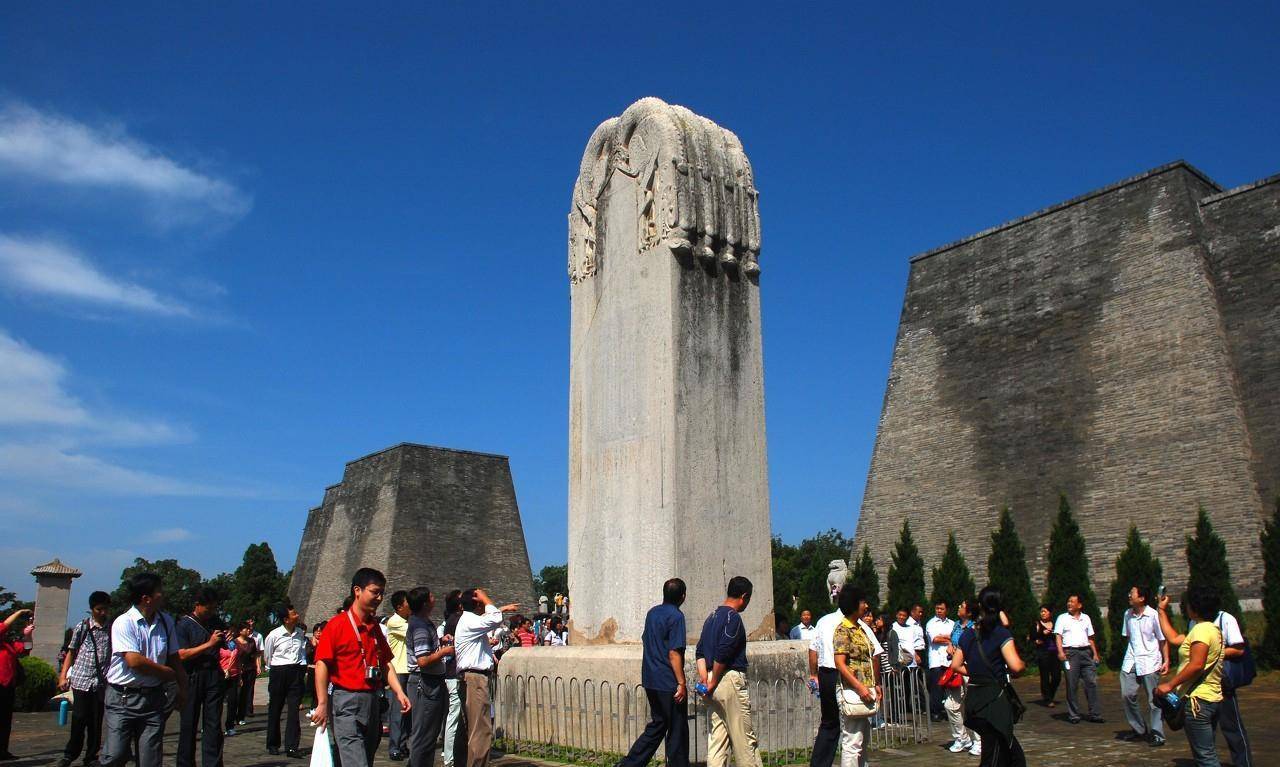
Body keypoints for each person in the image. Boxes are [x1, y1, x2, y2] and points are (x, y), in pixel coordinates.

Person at [310, 568, 411, 767]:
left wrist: (399, 692)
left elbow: (386, 662)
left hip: (372, 699)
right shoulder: (337, 625)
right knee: (356, 761)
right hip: (346, 700)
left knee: (366, 757)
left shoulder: (374, 628)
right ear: (358, 590)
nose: (379, 597)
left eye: (381, 592)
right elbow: (322, 664)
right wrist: (322, 703)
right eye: (375, 592)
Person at [100, 573, 188, 767]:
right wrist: (166, 673)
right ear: (146, 598)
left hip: (153, 699)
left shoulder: (165, 622)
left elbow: (175, 658)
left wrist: (182, 687)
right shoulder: (124, 622)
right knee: (115, 755)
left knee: (151, 758)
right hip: (122, 698)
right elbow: (134, 661)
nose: (162, 595)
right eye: (159, 592)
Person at [950, 587, 1026, 767]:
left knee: (1012, 755)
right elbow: (1015, 666)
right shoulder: (1000, 633)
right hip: (994, 701)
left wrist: (977, 672)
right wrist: (1023, 665)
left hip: (975, 699)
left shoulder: (968, 634)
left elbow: (955, 665)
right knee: (994, 756)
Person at [618, 578, 689, 767]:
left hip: (650, 678)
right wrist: (681, 683)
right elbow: (674, 653)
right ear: (683, 596)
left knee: (658, 725)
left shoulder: (652, 613)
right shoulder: (676, 617)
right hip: (668, 681)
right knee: (677, 731)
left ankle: (629, 764)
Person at [696, 576, 762, 767]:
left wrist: (705, 678)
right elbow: (723, 653)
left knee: (718, 739)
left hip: (710, 680)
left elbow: (700, 651)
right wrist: (714, 679)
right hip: (728, 679)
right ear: (744, 596)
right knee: (744, 741)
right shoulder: (733, 618)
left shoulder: (712, 616)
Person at [1155, 587, 1225, 767]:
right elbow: (1173, 638)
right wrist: (1161, 610)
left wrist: (1170, 685)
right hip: (1210, 698)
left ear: (1194, 607)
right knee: (1206, 753)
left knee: (1205, 758)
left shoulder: (1201, 630)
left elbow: (1196, 665)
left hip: (1198, 702)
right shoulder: (1211, 629)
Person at [455, 588, 518, 767]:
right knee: (481, 730)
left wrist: (502, 608)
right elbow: (495, 619)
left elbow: (491, 617)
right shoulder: (469, 620)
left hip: (472, 678)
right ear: (477, 604)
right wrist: (485, 598)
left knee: (470, 728)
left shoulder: (467, 620)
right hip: (475, 678)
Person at [57, 591, 112, 767]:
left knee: (96, 721)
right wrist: (63, 676)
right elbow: (71, 652)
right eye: (99, 609)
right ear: (92, 609)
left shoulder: (111, 628)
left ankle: (91, 755)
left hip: (101, 682)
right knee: (79, 719)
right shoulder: (82, 627)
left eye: (105, 609)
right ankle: (70, 753)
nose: (102, 613)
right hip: (82, 679)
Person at [175, 585, 226, 767]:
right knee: (188, 724)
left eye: (214, 608)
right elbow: (181, 654)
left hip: (213, 674)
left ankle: (213, 763)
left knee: (213, 724)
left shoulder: (215, 622)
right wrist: (209, 643)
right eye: (209, 608)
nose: (212, 611)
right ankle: (185, 763)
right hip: (192, 675)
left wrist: (225, 638)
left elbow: (224, 645)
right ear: (197, 605)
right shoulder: (184, 625)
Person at [405, 587, 452, 767]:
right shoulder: (420, 626)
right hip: (425, 683)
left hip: (429, 682)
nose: (434, 597)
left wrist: (439, 642)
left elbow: (424, 649)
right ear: (425, 603)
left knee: (429, 735)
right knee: (423, 735)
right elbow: (423, 660)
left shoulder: (424, 623)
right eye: (431, 596)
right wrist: (445, 652)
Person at [832, 586, 879, 767]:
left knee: (863, 739)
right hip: (854, 690)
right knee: (852, 741)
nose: (866, 606)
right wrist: (859, 687)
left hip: (866, 689)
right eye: (862, 602)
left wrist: (876, 686)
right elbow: (840, 664)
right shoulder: (843, 630)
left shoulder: (860, 628)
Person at [1119, 585, 1167, 746]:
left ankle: (1157, 733)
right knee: (1127, 694)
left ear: (1141, 598)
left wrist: (1166, 659)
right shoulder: (1128, 614)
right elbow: (1128, 637)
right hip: (1131, 660)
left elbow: (1162, 639)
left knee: (1154, 700)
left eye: (1132, 593)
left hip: (1150, 660)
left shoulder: (1153, 615)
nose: (1129, 595)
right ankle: (1138, 728)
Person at [263, 602, 309, 758]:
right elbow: (268, 656)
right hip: (279, 672)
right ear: (286, 619)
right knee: (275, 708)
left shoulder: (300, 633)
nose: (297, 615)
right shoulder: (274, 635)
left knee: (294, 710)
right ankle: (273, 744)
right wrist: (274, 670)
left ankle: (292, 746)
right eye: (293, 613)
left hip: (295, 672)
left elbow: (302, 652)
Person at [807, 594, 845, 767]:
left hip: (825, 674)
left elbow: (812, 650)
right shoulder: (855, 625)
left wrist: (814, 674)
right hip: (844, 675)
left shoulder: (824, 620)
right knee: (851, 725)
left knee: (829, 722)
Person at [1053, 594, 1102, 724]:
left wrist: (1095, 654)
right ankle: (1074, 714)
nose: (1069, 604)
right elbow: (1058, 636)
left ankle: (1095, 713)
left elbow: (1090, 637)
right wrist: (1060, 652)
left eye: (1072, 602)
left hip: (1086, 652)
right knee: (1072, 684)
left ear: (1079, 605)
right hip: (1070, 653)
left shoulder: (1085, 618)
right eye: (1068, 601)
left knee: (1091, 683)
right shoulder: (1062, 618)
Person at [943, 598, 980, 756]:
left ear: (970, 612)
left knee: (973, 707)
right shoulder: (957, 625)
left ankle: (979, 741)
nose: (958, 607)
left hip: (970, 668)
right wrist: (950, 646)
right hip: (956, 669)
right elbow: (952, 640)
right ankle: (962, 738)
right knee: (951, 705)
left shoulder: (976, 627)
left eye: (962, 606)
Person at [0, 608, 34, 761]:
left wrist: (28, 635)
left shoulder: (8, 644)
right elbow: (4, 625)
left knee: (5, 720)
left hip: (8, 686)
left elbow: (26, 648)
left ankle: (2, 750)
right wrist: (19, 613)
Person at [383, 591, 412, 761]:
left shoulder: (405, 620)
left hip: (407, 669)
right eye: (408, 602)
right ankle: (394, 746)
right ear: (399, 606)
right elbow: (413, 632)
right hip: (398, 670)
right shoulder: (394, 622)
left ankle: (402, 744)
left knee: (407, 711)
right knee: (397, 711)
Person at [439, 591, 465, 767]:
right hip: (453, 673)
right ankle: (449, 757)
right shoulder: (457, 620)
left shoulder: (452, 620)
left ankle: (453, 753)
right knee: (453, 716)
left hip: (452, 672)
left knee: (455, 715)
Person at [924, 600, 955, 722]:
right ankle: (935, 712)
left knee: (950, 687)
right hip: (936, 660)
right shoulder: (931, 623)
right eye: (937, 608)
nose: (939, 611)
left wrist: (947, 637)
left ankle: (947, 710)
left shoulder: (952, 623)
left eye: (941, 608)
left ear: (946, 609)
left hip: (949, 660)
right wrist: (949, 639)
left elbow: (956, 637)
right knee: (936, 687)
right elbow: (935, 639)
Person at [1027, 606, 1059, 707]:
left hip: (1055, 653)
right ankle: (1048, 699)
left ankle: (1050, 694)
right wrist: (1041, 633)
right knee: (1045, 676)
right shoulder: (1037, 624)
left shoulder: (1055, 624)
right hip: (1043, 653)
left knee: (1057, 677)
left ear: (1050, 613)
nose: (1043, 613)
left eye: (1045, 611)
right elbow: (1032, 636)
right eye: (1041, 612)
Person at [219, 625, 246, 737]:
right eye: (226, 633)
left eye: (230, 634)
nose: (228, 636)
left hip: (234, 675)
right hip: (221, 674)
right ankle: (211, 725)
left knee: (233, 701)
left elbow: (239, 661)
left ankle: (230, 726)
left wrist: (240, 676)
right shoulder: (218, 645)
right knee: (217, 702)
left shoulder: (235, 645)